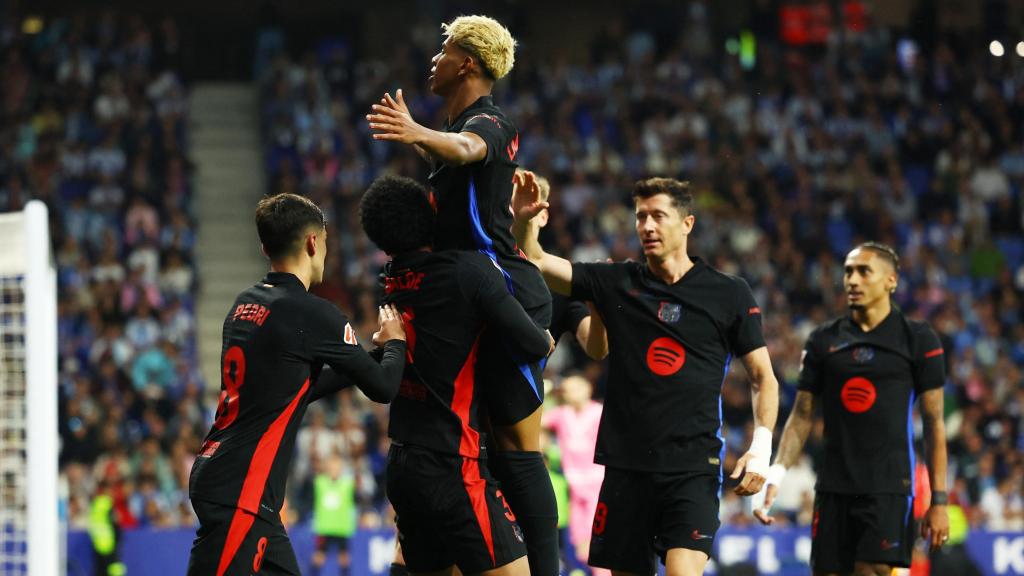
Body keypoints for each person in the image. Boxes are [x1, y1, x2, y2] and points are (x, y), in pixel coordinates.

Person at [367, 16, 560, 575]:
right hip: (461, 289)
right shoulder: (455, 131)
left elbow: (470, 148)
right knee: (458, 436)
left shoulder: (491, 122)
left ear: (468, 63)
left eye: (443, 49)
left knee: (514, 449)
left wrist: (418, 133)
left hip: (503, 287)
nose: (434, 59)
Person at [513, 174, 779, 576]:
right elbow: (535, 261)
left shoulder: (728, 293)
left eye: (658, 216)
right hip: (626, 468)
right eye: (640, 217)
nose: (647, 227)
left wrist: (761, 445)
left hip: (693, 467)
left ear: (687, 224)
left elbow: (763, 376)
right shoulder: (616, 281)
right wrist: (523, 221)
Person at [186, 193, 407, 576]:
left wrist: (367, 358)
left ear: (264, 246)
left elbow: (296, 390)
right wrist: (398, 343)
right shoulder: (314, 313)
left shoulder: (244, 305)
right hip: (243, 491)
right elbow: (384, 388)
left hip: (236, 483)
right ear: (312, 243)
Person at [360, 175, 554, 576]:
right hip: (454, 463)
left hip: (403, 460)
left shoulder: (391, 281)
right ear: (431, 213)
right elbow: (534, 343)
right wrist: (545, 338)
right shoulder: (470, 272)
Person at [753, 242, 950, 576]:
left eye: (863, 271)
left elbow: (934, 423)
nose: (852, 280)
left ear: (891, 280)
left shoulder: (917, 339)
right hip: (832, 487)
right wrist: (778, 471)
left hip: (887, 488)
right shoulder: (822, 340)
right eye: (848, 272)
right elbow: (802, 415)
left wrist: (939, 501)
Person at [310, 453, 357, 576]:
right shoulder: (319, 483)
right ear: (327, 468)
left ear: (341, 469)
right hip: (324, 527)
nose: (334, 470)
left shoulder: (348, 484)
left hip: (342, 528)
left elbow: (357, 500)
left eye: (337, 467)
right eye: (332, 467)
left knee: (344, 559)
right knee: (319, 557)